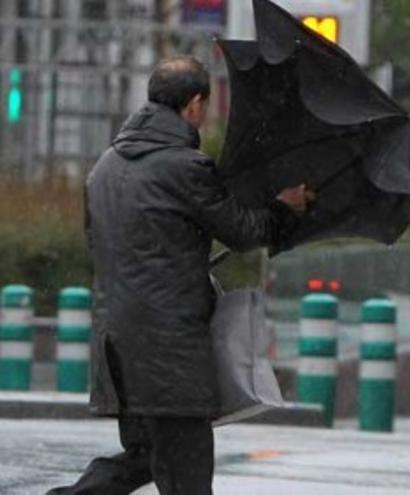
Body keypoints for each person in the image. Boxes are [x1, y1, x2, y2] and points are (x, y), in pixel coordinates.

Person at [48, 55, 313, 495]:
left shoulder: (104, 168)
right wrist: (286, 207)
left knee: (143, 458)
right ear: (194, 104)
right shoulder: (185, 166)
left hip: (118, 347)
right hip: (168, 352)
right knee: (187, 475)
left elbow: (126, 249)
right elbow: (245, 230)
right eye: (205, 106)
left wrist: (184, 262)